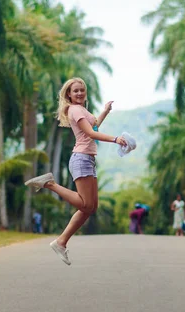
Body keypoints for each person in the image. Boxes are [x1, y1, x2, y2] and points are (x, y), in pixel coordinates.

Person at [24, 77, 127, 265]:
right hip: (81, 159)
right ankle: (50, 184)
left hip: (87, 159)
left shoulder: (81, 110)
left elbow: (94, 124)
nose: (79, 93)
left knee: (91, 207)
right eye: (76, 90)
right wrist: (115, 139)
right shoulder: (75, 109)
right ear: (69, 94)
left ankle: (61, 242)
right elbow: (91, 133)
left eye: (82, 90)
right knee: (85, 205)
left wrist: (105, 111)